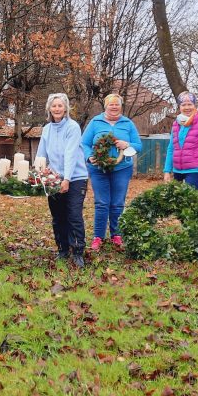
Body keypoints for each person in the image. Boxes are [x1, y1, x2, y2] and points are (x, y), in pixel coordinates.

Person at [81, 93, 143, 252]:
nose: (114, 107)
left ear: (121, 106)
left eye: (117, 104)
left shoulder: (128, 123)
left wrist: (127, 144)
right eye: (111, 104)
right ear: (105, 106)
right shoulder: (95, 122)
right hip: (98, 169)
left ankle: (117, 234)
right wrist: (89, 157)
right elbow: (84, 143)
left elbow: (138, 145)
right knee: (102, 203)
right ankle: (98, 236)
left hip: (122, 169)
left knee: (117, 203)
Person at [35, 93, 89, 268]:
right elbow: (41, 154)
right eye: (54, 106)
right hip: (54, 179)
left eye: (60, 106)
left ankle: (78, 251)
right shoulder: (46, 129)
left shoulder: (72, 127)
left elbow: (70, 154)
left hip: (76, 178)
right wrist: (38, 173)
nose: (57, 109)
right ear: (49, 109)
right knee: (58, 217)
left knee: (73, 215)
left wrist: (67, 179)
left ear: (65, 108)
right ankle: (63, 250)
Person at [163, 91, 198, 191]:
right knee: (177, 199)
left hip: (196, 171)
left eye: (190, 104)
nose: (187, 107)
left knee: (191, 200)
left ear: (194, 105)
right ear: (179, 107)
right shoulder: (176, 124)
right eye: (183, 105)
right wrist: (167, 171)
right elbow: (171, 148)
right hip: (177, 171)